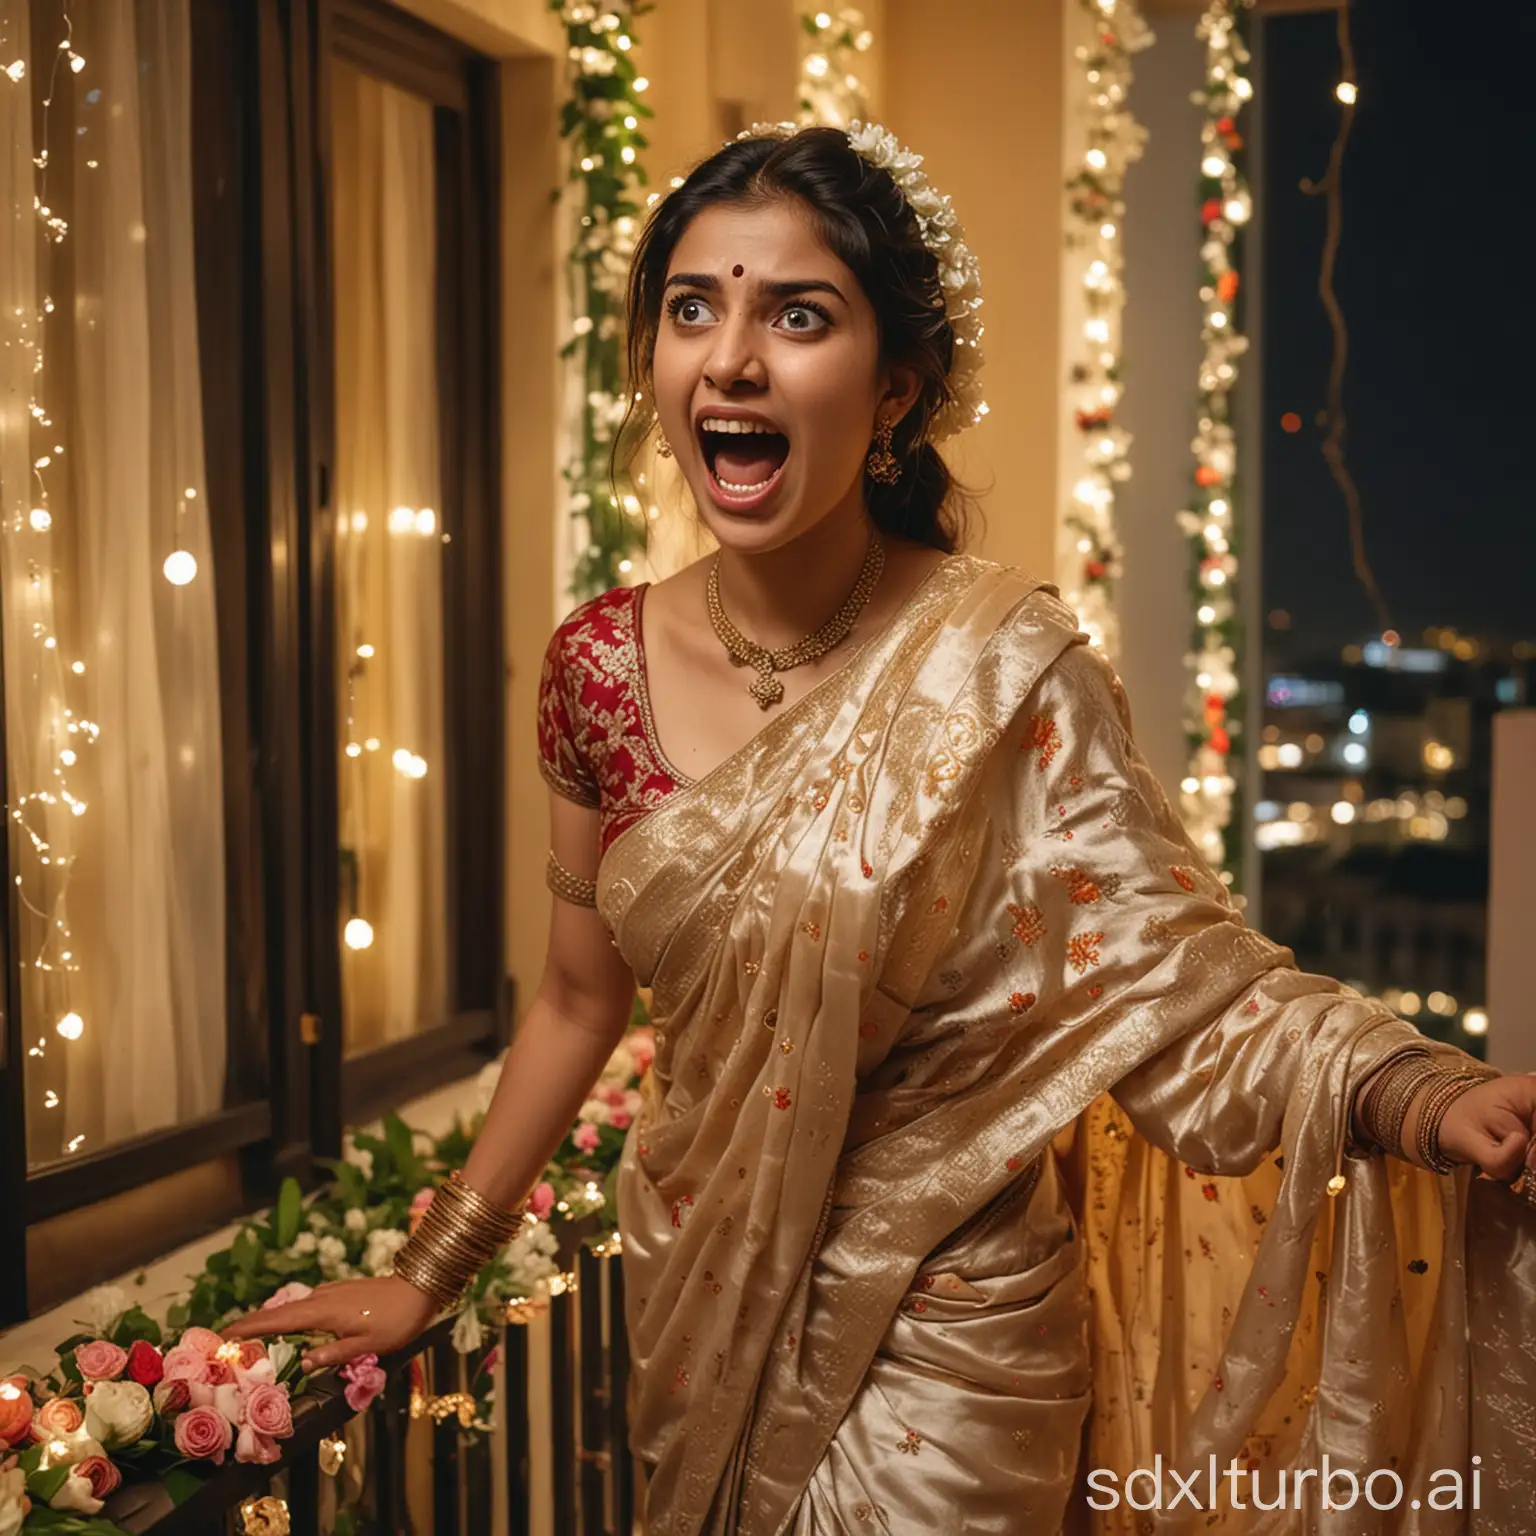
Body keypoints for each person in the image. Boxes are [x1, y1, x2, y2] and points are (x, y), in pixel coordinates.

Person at [228, 122, 1536, 1533]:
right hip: (701, 1298)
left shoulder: (1002, 670)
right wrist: (433, 1268)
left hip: (956, 1325)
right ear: (655, 369)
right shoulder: (595, 665)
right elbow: (574, 995)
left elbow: (1172, 993)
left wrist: (1417, 1096)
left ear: (897, 391)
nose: (732, 358)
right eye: (692, 308)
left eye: (797, 315)